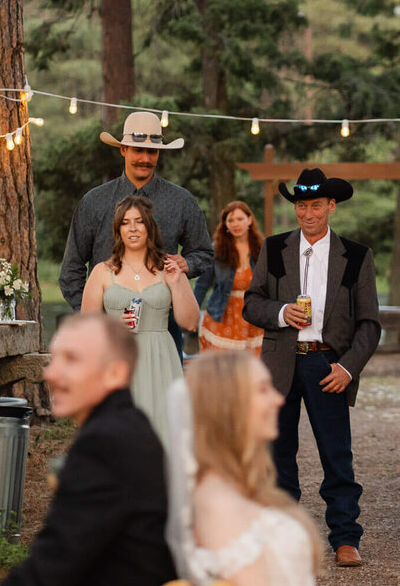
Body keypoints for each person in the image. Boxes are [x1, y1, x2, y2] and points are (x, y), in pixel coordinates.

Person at [243, 167, 381, 568]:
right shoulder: (273, 248)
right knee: (278, 453)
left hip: (327, 363)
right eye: (301, 206)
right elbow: (251, 304)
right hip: (280, 362)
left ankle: (345, 538)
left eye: (316, 206)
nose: (308, 214)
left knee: (336, 455)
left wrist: (348, 368)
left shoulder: (356, 256)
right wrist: (283, 312)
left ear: (331, 206)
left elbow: (369, 324)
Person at [0, 312, 177, 586]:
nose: (50, 373)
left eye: (72, 359)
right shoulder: (128, 424)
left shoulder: (106, 443)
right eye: (54, 358)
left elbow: (51, 566)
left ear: (115, 373)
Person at [59, 111, 213, 356]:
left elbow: (204, 253)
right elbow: (71, 271)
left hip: (164, 325)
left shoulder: (182, 201)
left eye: (151, 151)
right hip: (106, 329)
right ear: (123, 150)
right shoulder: (94, 202)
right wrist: (95, 317)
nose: (145, 158)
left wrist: (188, 263)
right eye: (137, 150)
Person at [164, 351, 320, 586]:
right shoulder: (221, 505)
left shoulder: (222, 486)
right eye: (263, 389)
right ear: (227, 407)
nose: (278, 399)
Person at [80, 195, 199, 438]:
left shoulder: (169, 268)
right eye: (125, 222)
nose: (132, 228)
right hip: (118, 359)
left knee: (163, 432)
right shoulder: (102, 272)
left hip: (160, 357)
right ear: (117, 229)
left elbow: (190, 322)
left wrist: (176, 283)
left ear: (149, 227)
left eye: (139, 221)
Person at [193, 200, 264, 354]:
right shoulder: (216, 250)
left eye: (239, 219)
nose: (235, 224)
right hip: (222, 315)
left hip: (253, 316)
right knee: (223, 368)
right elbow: (202, 285)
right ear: (225, 224)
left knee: (251, 369)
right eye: (230, 220)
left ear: (249, 220)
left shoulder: (262, 249)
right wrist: (191, 315)